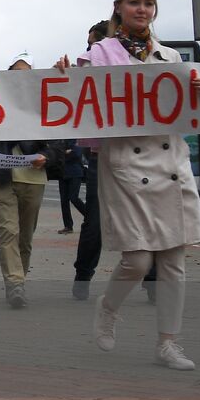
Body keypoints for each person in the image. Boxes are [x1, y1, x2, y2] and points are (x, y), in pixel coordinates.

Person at [59, 0, 200, 370]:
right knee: (139, 260)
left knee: (174, 261)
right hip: (126, 164)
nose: (141, 9)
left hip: (169, 164)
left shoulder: (170, 58)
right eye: (134, 2)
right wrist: (61, 75)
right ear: (119, 7)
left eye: (148, 3)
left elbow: (187, 117)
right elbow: (74, 98)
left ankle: (168, 343)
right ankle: (108, 308)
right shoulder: (99, 54)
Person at [0, 52, 61, 309]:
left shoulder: (44, 105)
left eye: (27, 73)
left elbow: (59, 142)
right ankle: (14, 284)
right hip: (1, 178)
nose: (21, 78)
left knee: (25, 237)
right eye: (16, 73)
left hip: (34, 178)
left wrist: (46, 157)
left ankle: (19, 280)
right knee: (9, 232)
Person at [72, 20, 110, 300]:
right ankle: (83, 276)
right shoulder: (86, 71)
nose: (88, 49)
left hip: (137, 154)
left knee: (146, 217)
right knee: (94, 220)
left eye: (92, 43)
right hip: (101, 155)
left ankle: (152, 277)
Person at [58, 139, 86, 234]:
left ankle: (89, 216)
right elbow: (55, 152)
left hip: (75, 173)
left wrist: (63, 153)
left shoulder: (76, 139)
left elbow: (76, 154)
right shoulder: (60, 139)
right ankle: (68, 226)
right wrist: (65, 152)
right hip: (62, 173)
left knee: (73, 198)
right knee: (64, 201)